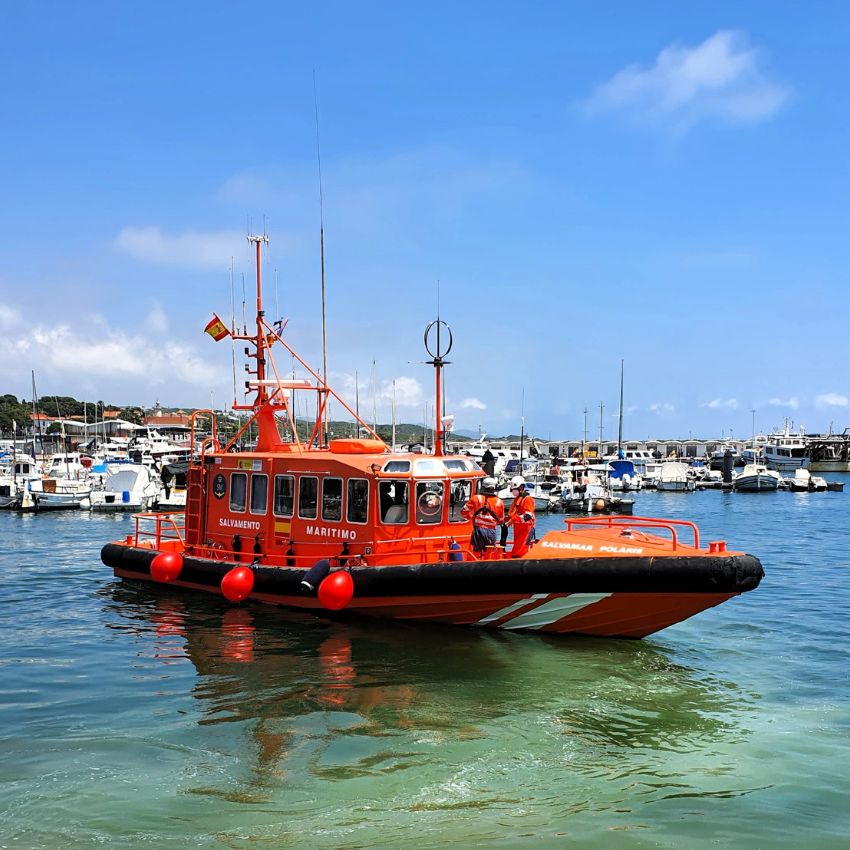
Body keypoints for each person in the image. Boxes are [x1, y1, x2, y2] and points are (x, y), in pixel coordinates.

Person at [461, 477, 504, 554]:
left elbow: (463, 511)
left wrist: (471, 517)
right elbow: (501, 520)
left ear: (483, 487)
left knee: (476, 553)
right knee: (490, 553)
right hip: (491, 531)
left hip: (478, 530)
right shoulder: (499, 502)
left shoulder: (476, 498)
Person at [505, 476, 536, 558]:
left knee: (520, 552)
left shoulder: (527, 499)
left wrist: (513, 519)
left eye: (515, 489)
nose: (513, 491)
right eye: (512, 489)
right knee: (516, 551)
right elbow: (514, 514)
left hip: (526, 529)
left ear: (521, 487)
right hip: (519, 529)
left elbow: (528, 516)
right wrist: (507, 519)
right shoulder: (518, 499)